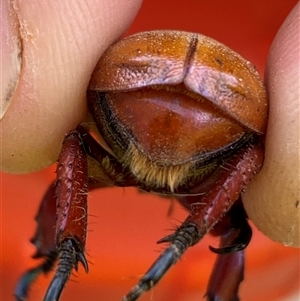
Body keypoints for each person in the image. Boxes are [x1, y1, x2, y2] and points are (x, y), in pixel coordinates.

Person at [1, 0, 298, 252]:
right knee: (234, 226)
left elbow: (72, 155)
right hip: (219, 116)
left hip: (134, 92)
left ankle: (56, 252)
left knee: (75, 150)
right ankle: (64, 251)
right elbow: (249, 158)